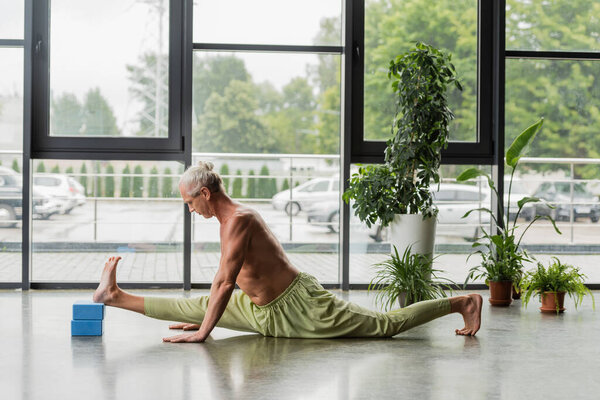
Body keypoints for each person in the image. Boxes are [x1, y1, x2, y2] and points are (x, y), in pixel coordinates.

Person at [93, 161, 482, 343]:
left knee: (385, 326)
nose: (190, 209)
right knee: (192, 307)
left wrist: (203, 335)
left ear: (205, 194)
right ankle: (114, 296)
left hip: (300, 306)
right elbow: (220, 282)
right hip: (261, 308)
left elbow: (227, 282)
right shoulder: (226, 222)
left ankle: (462, 302)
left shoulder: (240, 220)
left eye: (189, 203)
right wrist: (202, 321)